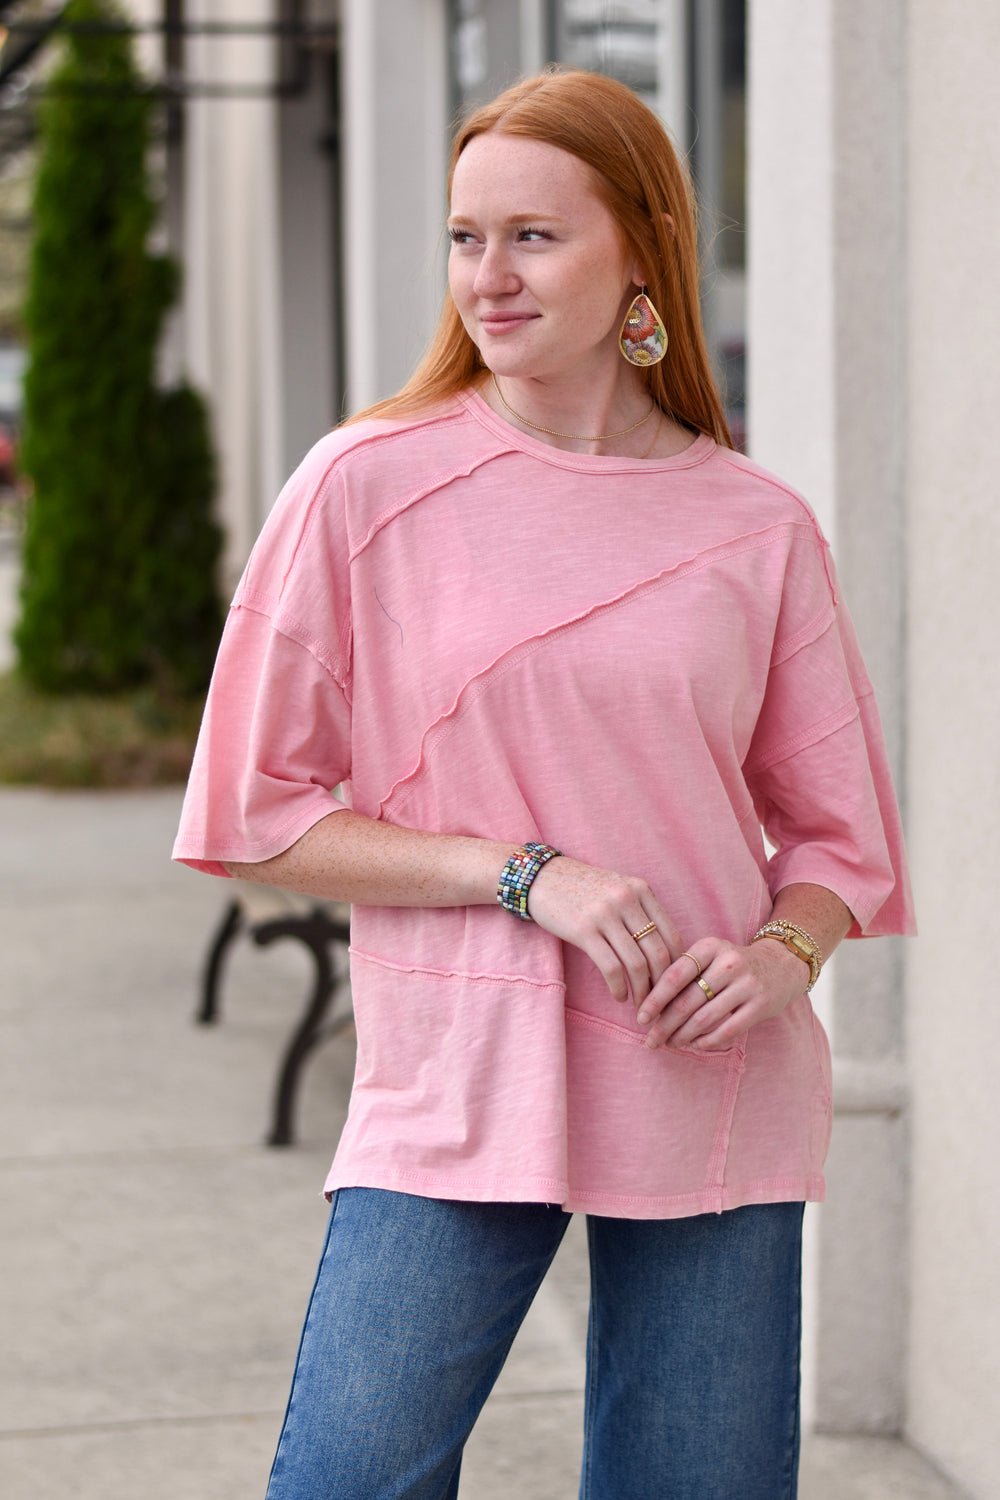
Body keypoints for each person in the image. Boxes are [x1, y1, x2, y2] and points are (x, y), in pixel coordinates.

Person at [174, 66, 914, 1500]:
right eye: (466, 237)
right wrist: (522, 874)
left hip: (704, 1074)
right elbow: (254, 813)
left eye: (533, 237)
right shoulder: (364, 484)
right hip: (457, 1072)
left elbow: (840, 839)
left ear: (641, 253)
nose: (488, 278)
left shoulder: (755, 525)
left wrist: (782, 957)